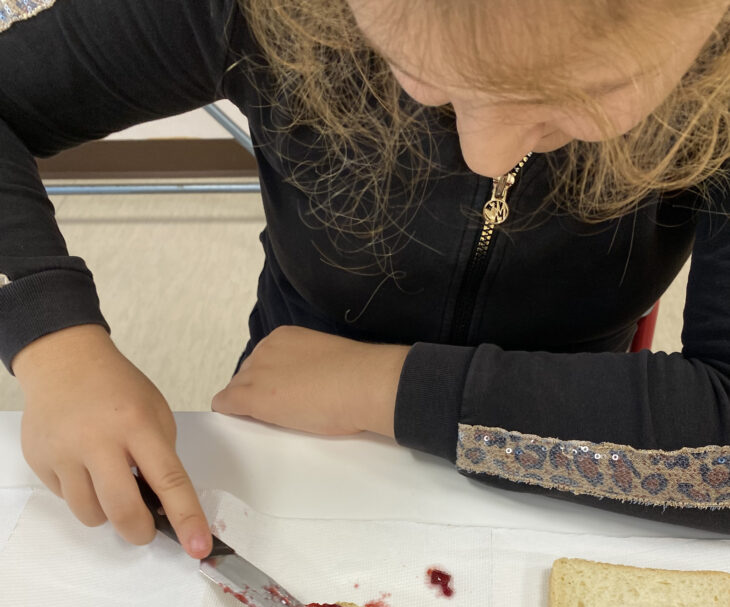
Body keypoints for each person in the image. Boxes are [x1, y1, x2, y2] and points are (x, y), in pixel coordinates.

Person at [1, 0, 729, 557]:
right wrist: (54, 341)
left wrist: (385, 386)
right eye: (419, 76)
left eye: (591, 92)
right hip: (291, 422)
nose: (488, 151)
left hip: (571, 430)